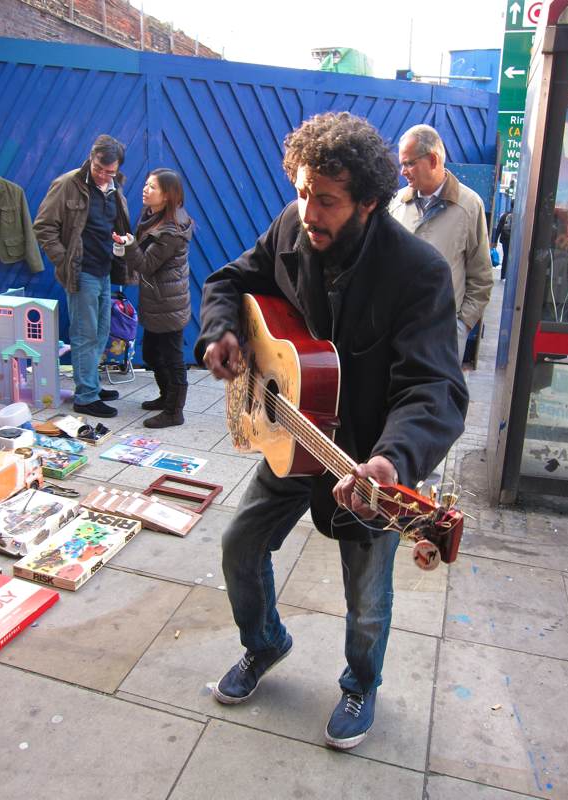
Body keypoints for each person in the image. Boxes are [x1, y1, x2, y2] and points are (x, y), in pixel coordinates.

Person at [196, 111, 468, 751]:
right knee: (239, 543)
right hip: (293, 436)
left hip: (367, 464)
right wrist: (222, 333)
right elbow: (230, 280)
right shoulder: (292, 227)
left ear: (369, 201)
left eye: (327, 201)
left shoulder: (417, 273)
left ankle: (360, 682)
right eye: (300, 192)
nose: (307, 212)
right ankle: (265, 643)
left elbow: (436, 387)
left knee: (367, 599)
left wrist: (393, 460)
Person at [34, 134, 131, 418]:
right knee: (85, 334)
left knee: (101, 332)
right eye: (98, 168)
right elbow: (43, 226)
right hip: (81, 271)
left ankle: (91, 384)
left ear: (117, 169)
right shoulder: (67, 184)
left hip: (104, 269)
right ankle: (86, 397)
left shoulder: (115, 188)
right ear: (91, 158)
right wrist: (64, 260)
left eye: (109, 171)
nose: (102, 175)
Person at [390, 124, 493, 361]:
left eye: (409, 163)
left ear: (433, 160)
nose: (403, 171)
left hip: (442, 337)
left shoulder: (468, 206)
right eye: (402, 164)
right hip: (396, 331)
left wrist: (461, 327)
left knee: (438, 397)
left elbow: (482, 277)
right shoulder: (395, 204)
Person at [113, 169, 192, 428]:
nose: (145, 190)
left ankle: (174, 412)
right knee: (151, 353)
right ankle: (165, 397)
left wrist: (128, 245)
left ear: (168, 195)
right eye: (146, 184)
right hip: (158, 301)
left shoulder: (170, 229)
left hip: (168, 304)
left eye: (152, 187)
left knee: (172, 358)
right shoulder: (153, 216)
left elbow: (146, 265)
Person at [493, 200, 514, 280]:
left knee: (506, 257)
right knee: (512, 258)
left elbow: (498, 228)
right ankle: (509, 276)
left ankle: (503, 276)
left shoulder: (505, 215)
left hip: (505, 240)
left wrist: (495, 241)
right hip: (513, 241)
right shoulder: (518, 217)